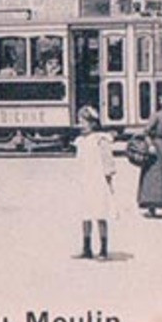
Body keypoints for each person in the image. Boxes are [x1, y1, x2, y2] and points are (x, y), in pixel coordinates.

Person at [73, 106, 116, 259]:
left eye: (84, 122)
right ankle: (86, 248)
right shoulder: (80, 141)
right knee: (85, 214)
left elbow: (107, 162)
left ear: (92, 123)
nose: (81, 124)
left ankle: (103, 249)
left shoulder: (101, 140)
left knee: (100, 213)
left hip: (98, 181)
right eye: (80, 121)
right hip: (85, 180)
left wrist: (109, 179)